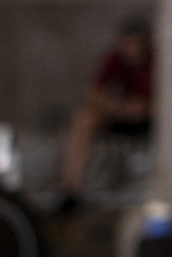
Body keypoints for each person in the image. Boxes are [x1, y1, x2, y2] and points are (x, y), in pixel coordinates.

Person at [59, 17, 154, 210]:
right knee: (83, 119)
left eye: (137, 43)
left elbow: (158, 104)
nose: (132, 49)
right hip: (121, 114)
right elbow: (93, 92)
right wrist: (113, 106)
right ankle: (70, 191)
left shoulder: (158, 60)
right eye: (128, 43)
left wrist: (139, 107)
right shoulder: (115, 58)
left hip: (151, 121)